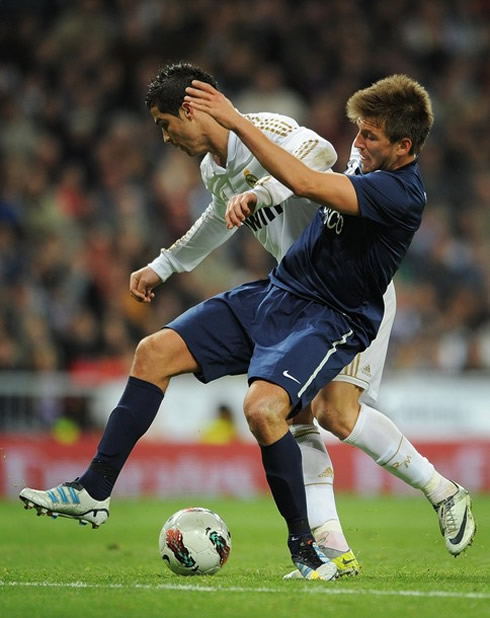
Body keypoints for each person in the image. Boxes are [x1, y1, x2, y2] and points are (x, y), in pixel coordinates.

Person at [19, 69, 475, 581]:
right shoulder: (224, 169)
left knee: (330, 414)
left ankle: (433, 495)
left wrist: (261, 186)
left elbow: (313, 161)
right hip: (283, 289)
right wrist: (164, 265)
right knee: (157, 353)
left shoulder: (388, 187)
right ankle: (94, 489)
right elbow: (219, 216)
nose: (359, 143)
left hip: (344, 306)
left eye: (370, 135)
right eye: (361, 132)